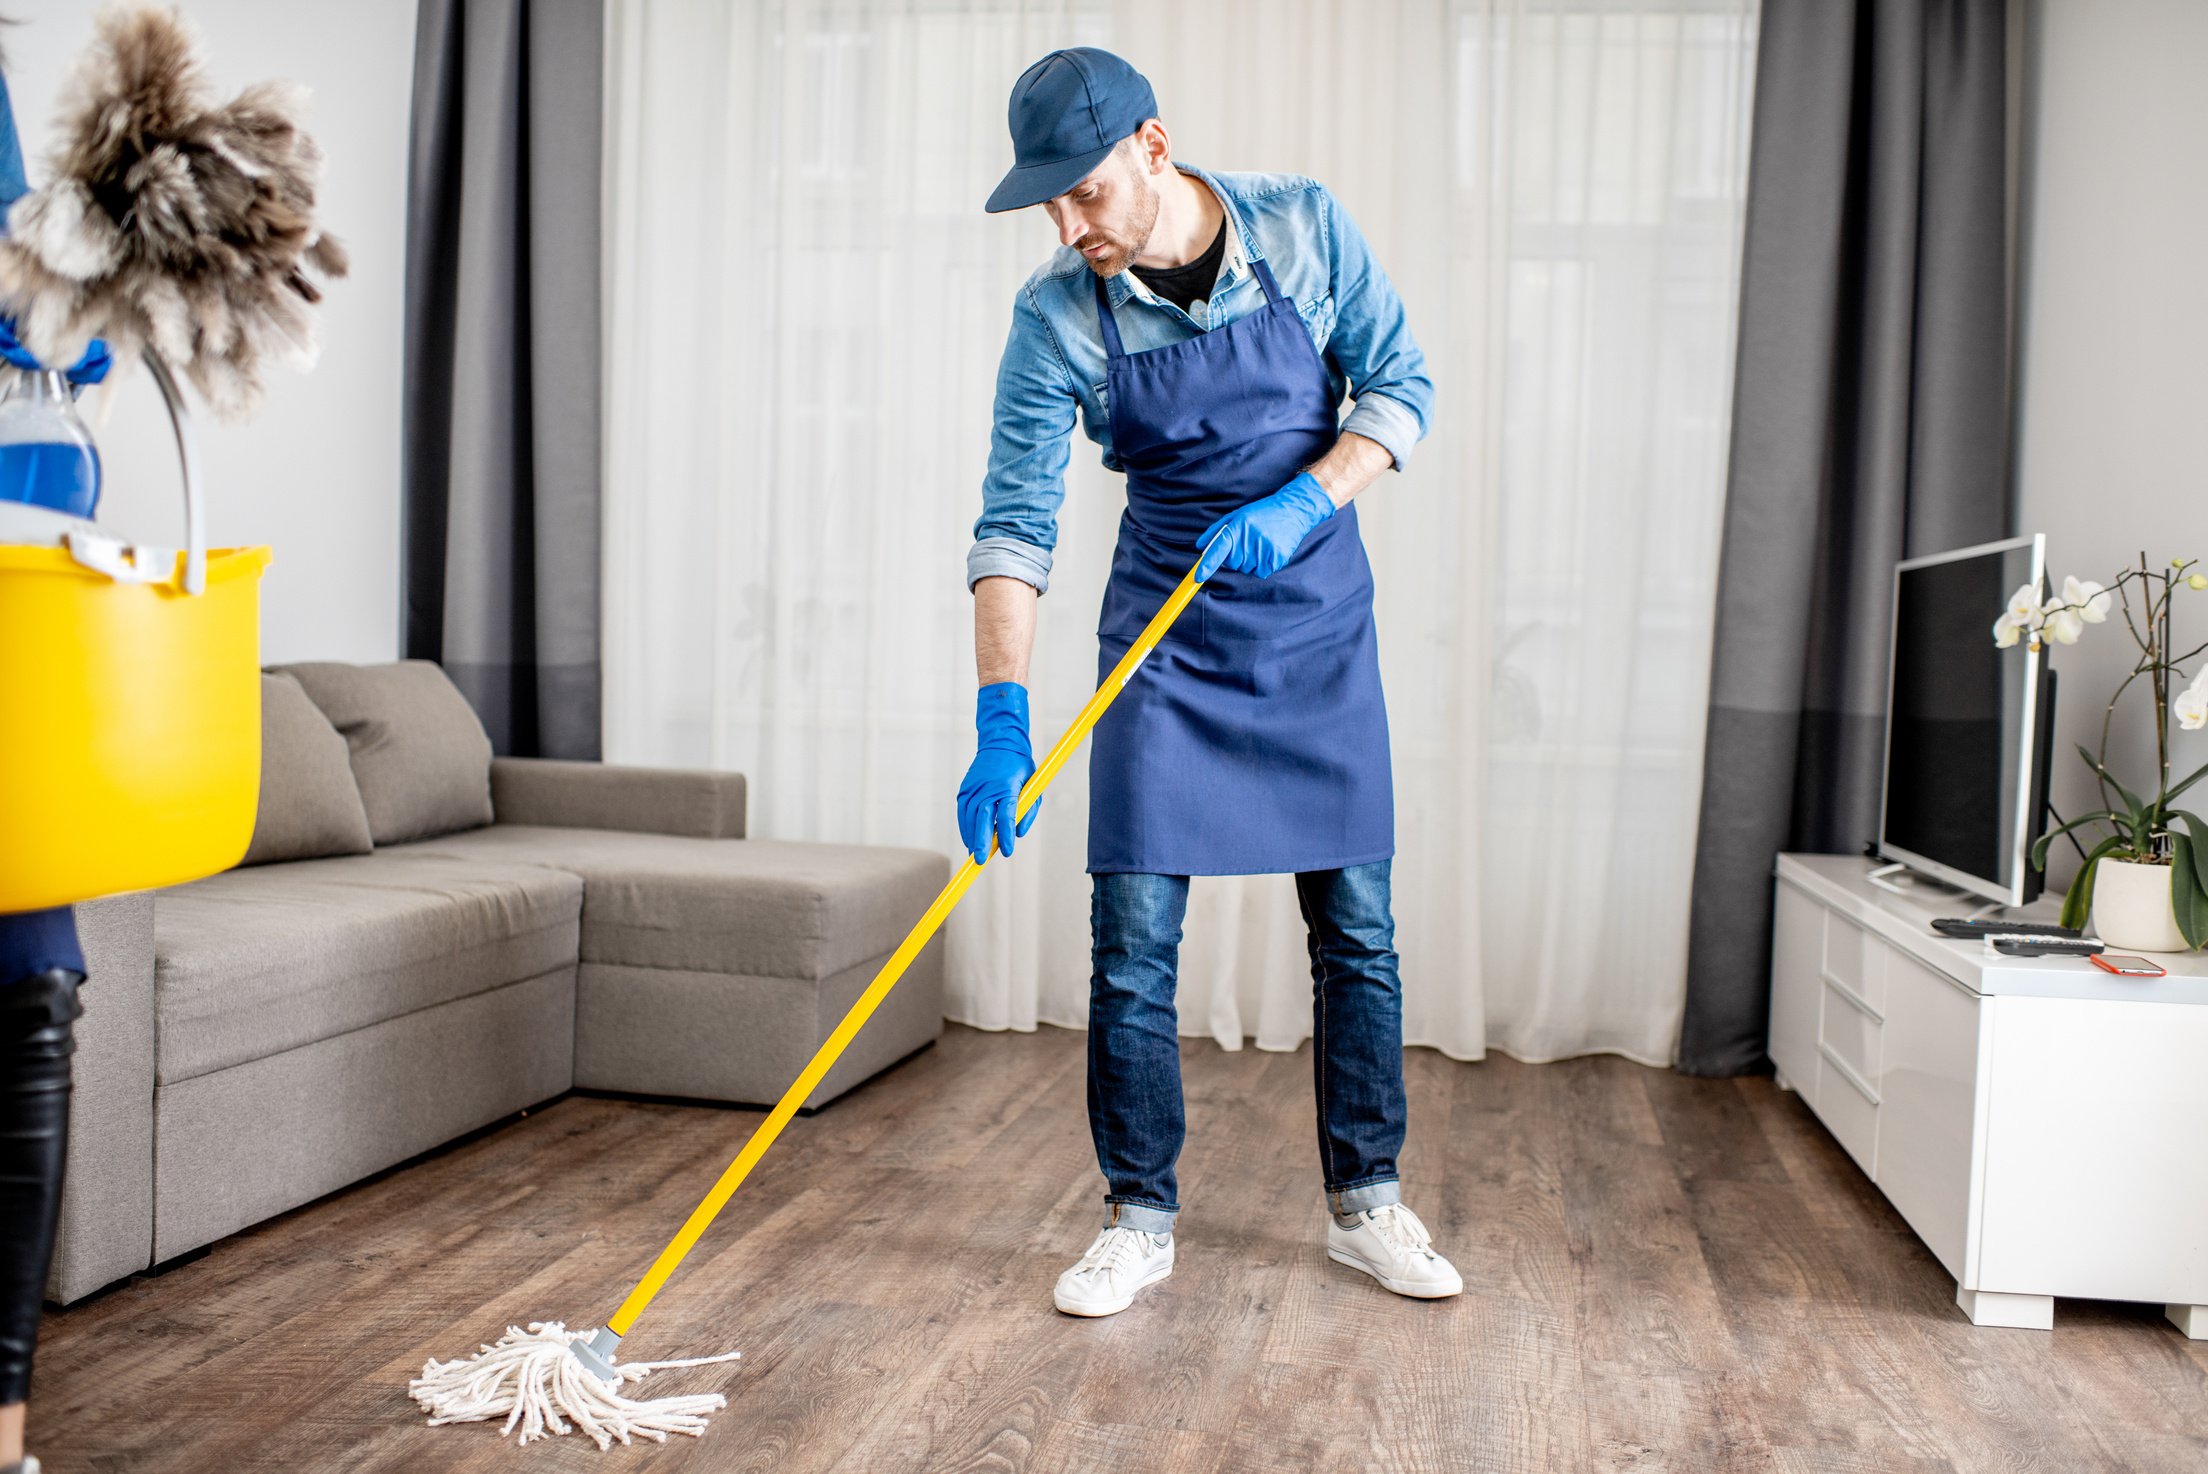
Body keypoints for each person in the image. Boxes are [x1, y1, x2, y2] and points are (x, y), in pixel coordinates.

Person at [960, 47, 1461, 1318]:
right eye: (1049, 207)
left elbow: (1401, 387)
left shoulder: (1300, 225)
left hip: (1313, 625)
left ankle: (1369, 1202)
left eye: (1083, 194)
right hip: (1164, 644)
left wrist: (1307, 499)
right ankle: (1137, 1214)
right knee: (1130, 947)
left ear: (1153, 146)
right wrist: (1000, 712)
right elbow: (1016, 527)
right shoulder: (1057, 316)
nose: (1070, 228)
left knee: (1356, 929)